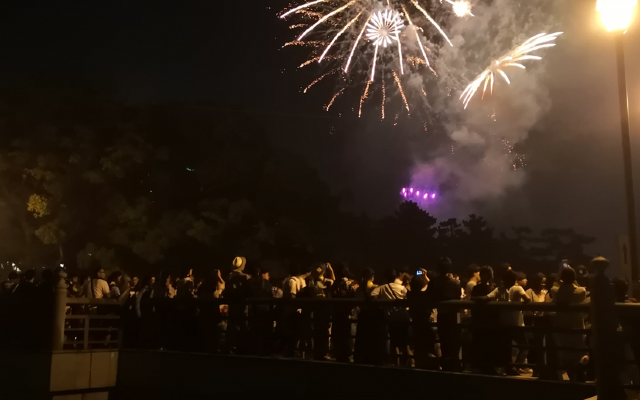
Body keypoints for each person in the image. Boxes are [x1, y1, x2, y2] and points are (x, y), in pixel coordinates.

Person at [487, 269, 530, 375]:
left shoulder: (499, 289)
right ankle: (515, 366)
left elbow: (488, 298)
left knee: (506, 347)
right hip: (517, 323)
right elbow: (527, 299)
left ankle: (508, 367)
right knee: (525, 346)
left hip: (503, 323)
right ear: (514, 280)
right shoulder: (518, 288)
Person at [549, 266, 588, 381]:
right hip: (576, 324)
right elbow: (580, 289)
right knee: (579, 352)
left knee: (565, 353)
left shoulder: (555, 291)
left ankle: (572, 377)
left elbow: (554, 286)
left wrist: (559, 276)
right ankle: (580, 376)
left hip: (561, 324)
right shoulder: (580, 291)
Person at [426, 257, 462, 371]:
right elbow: (458, 298)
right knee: (454, 342)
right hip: (453, 316)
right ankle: (454, 365)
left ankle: (445, 365)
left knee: (443, 341)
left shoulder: (434, 283)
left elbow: (429, 297)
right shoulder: (455, 283)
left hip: (441, 315)